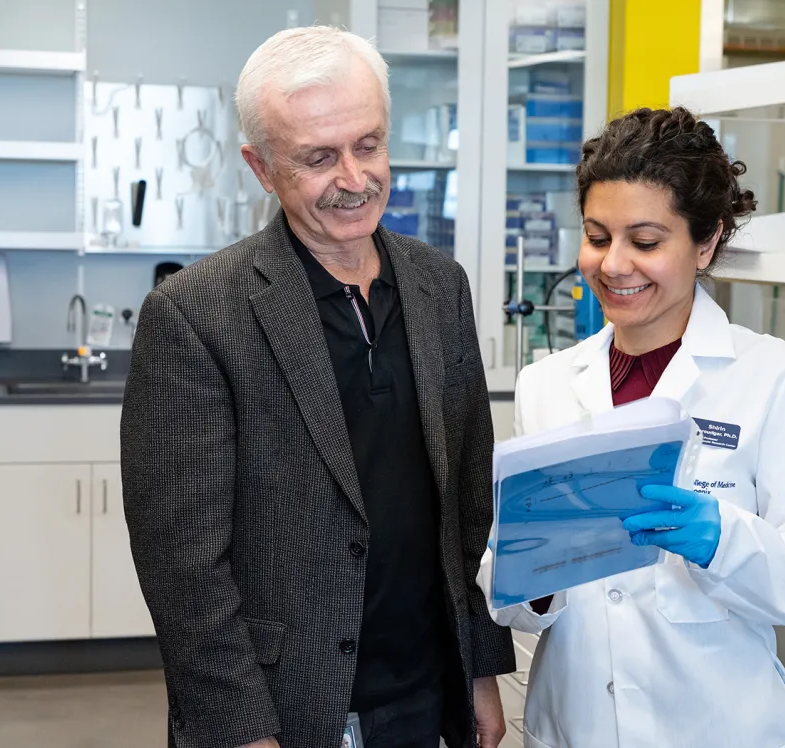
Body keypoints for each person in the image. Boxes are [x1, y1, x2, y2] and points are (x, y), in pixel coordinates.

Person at [121, 26, 514, 748]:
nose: (355, 178)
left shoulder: (438, 286)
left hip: (429, 692)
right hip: (289, 710)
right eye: (318, 158)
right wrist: (242, 731)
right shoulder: (195, 315)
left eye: (368, 145)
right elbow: (183, 568)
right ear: (261, 167)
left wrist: (482, 670)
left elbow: (468, 504)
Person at [479, 107, 785, 748]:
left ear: (705, 243)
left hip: (719, 728)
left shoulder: (769, 375)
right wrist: (532, 576)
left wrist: (719, 537)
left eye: (645, 242)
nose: (614, 264)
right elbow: (507, 601)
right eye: (597, 237)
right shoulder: (546, 384)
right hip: (575, 727)